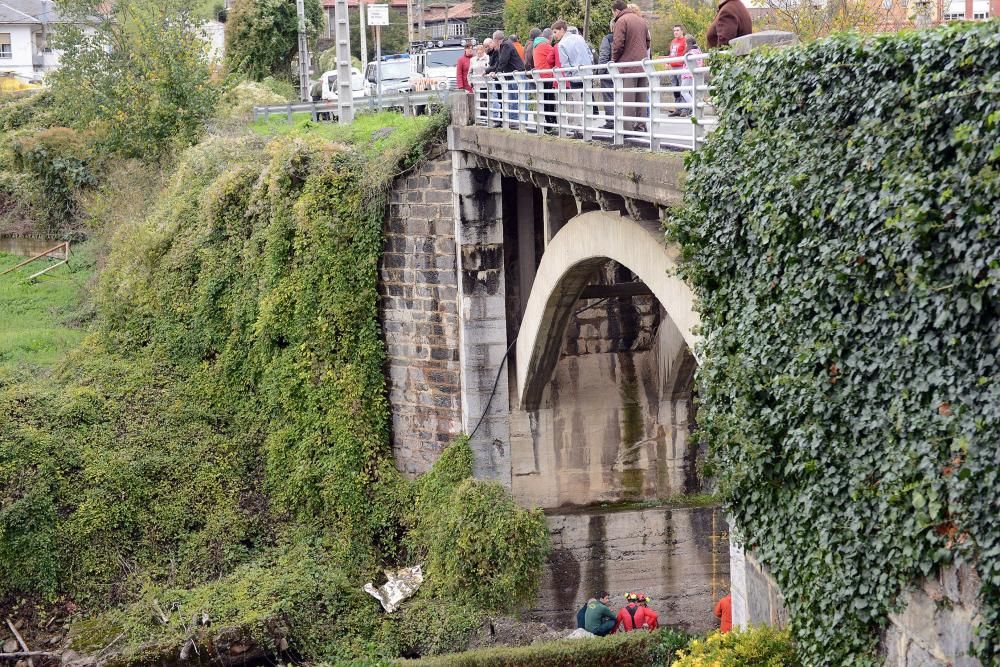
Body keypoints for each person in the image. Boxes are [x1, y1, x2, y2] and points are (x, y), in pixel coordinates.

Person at [610, 0, 650, 132]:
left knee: (627, 97)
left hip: (627, 65)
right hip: (642, 64)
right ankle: (641, 125)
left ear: (616, 11)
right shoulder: (641, 20)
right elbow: (648, 42)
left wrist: (614, 60)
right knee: (641, 97)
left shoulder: (621, 21)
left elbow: (618, 44)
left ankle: (627, 128)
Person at [485, 30, 525, 122]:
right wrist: (492, 71)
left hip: (516, 74)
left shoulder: (506, 45)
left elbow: (503, 60)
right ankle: (514, 120)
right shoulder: (504, 45)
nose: (493, 43)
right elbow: (500, 62)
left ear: (497, 40)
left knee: (514, 99)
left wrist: (497, 72)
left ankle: (515, 121)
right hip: (513, 75)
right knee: (513, 99)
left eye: (493, 41)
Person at [531, 28, 558, 130]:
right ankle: (550, 122)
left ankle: (547, 121)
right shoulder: (545, 46)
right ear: (550, 38)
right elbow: (555, 55)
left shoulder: (536, 45)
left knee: (544, 100)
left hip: (541, 76)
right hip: (547, 76)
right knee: (549, 100)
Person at [678, 34, 704, 116]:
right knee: (694, 92)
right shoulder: (698, 51)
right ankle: (695, 112)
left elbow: (685, 62)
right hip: (696, 73)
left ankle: (695, 109)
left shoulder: (690, 52)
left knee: (684, 91)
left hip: (688, 74)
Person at [597, 25, 615, 128]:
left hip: (608, 73)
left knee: (609, 97)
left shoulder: (608, 38)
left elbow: (604, 56)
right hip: (622, 72)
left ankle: (611, 122)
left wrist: (600, 72)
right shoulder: (626, 38)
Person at [668, 24, 687, 107]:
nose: (675, 32)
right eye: (674, 30)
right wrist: (668, 63)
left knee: (682, 88)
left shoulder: (685, 41)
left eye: (677, 30)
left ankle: (684, 108)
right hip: (673, 67)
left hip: (681, 67)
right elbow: (671, 53)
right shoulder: (673, 41)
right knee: (675, 88)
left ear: (682, 31)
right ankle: (678, 107)